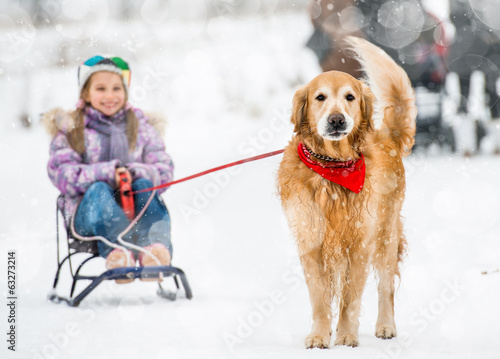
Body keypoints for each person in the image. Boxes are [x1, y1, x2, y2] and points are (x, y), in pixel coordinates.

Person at [44, 55, 174, 283]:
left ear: (125, 91)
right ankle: (118, 253)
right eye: (101, 88)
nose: (110, 96)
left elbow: (164, 170)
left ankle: (154, 251)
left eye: (116, 88)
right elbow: (62, 174)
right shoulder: (72, 129)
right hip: (88, 220)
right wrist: (107, 173)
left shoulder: (142, 127)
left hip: (136, 215)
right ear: (85, 93)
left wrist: (132, 174)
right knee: (99, 190)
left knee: (145, 185)